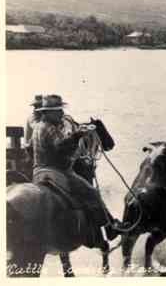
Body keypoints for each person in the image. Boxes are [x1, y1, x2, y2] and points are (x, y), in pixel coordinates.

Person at [31, 94, 124, 244]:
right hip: (56, 172)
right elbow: (61, 147)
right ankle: (110, 228)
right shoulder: (49, 128)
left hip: (39, 172)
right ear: (47, 112)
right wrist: (78, 135)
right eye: (58, 110)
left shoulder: (38, 127)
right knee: (92, 192)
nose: (62, 113)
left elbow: (35, 147)